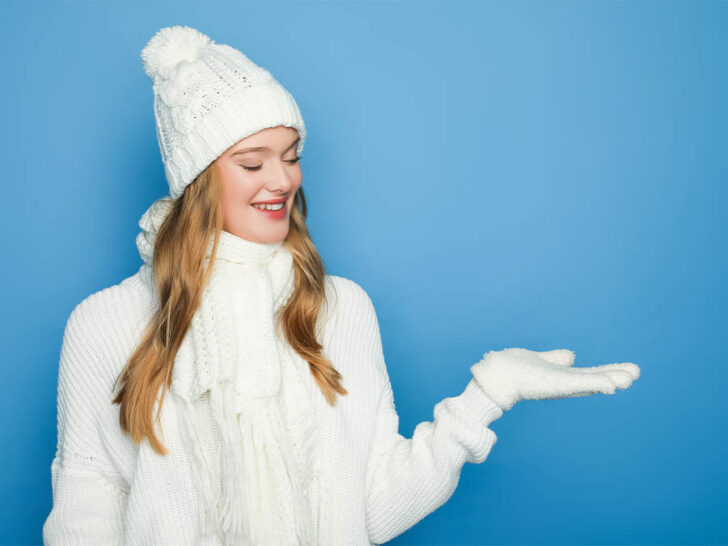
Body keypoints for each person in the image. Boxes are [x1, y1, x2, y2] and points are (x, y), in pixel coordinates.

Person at [41, 25, 641, 546]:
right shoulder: (106, 324)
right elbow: (85, 518)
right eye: (253, 162)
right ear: (197, 179)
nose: (283, 180)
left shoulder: (340, 307)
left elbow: (375, 511)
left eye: (292, 154)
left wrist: (486, 396)